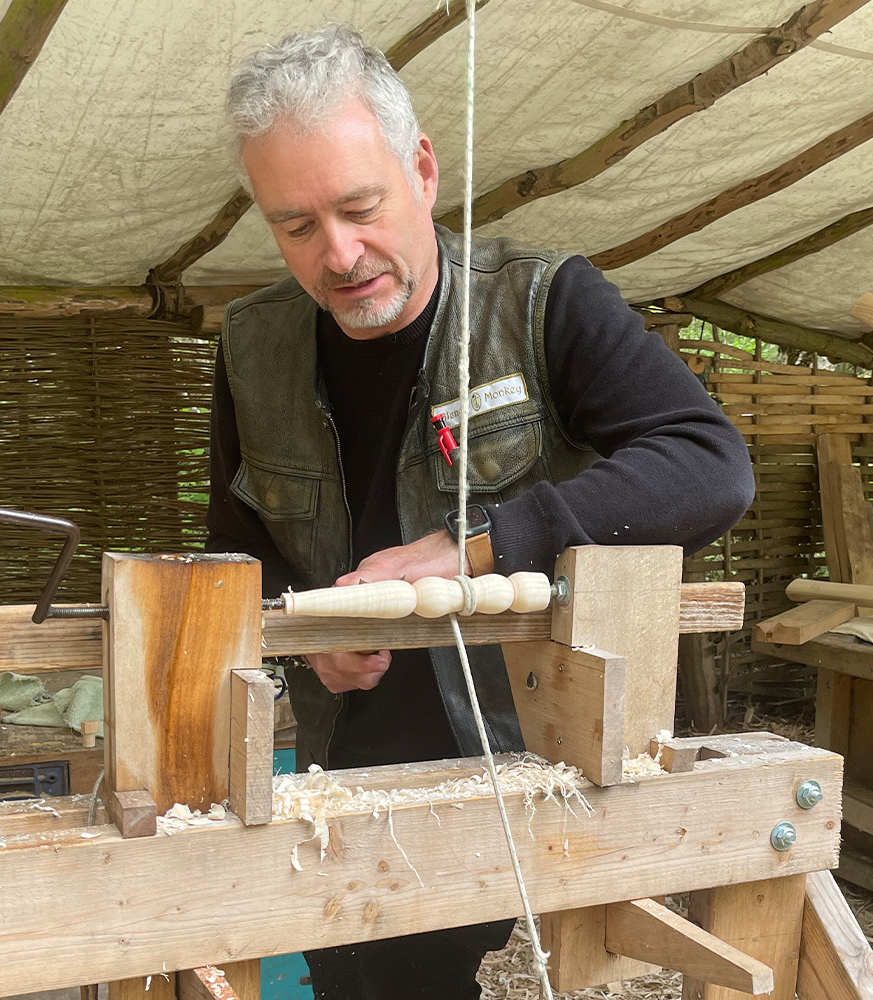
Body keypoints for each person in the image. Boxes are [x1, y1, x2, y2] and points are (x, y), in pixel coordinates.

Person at [205, 25, 754, 1000]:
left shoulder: (544, 303)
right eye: (295, 225)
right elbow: (235, 555)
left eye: (359, 207)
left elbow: (708, 469)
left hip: (534, 750)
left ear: (421, 170)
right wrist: (302, 637)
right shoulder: (254, 349)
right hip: (350, 755)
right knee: (360, 981)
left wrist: (479, 548)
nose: (338, 252)